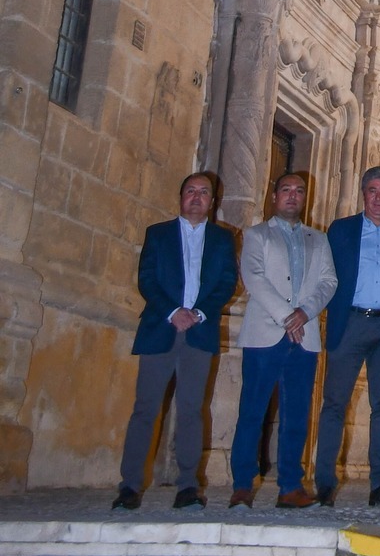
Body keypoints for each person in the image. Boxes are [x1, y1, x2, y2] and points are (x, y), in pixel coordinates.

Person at [112, 172, 238, 511]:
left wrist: (198, 313)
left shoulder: (223, 240)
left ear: (213, 202)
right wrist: (173, 311)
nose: (196, 197)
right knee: (145, 409)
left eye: (203, 192)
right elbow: (147, 278)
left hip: (199, 331)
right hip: (160, 329)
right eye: (190, 191)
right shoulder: (158, 234)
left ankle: (187, 486)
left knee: (191, 411)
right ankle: (129, 486)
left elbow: (227, 282)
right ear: (181, 197)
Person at [228, 172, 338, 509]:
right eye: (286, 190)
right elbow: (254, 278)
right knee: (253, 411)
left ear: (306, 198)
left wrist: (304, 313)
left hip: (303, 338)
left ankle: (290, 485)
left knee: (297, 413)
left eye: (299, 191)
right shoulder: (257, 235)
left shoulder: (318, 239)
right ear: (274, 196)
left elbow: (328, 281)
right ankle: (243, 485)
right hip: (265, 334)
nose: (293, 195)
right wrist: (286, 315)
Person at [314, 165, 380, 507]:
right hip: (351, 322)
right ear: (363, 194)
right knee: (333, 404)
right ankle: (325, 484)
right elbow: (327, 276)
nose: (378, 198)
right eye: (372, 190)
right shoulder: (341, 230)